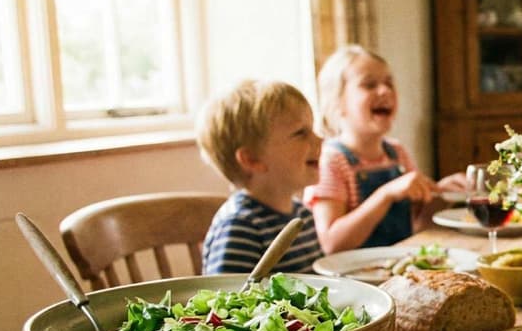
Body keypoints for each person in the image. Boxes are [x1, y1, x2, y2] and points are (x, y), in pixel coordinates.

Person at [305, 45, 467, 252]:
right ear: (337, 101)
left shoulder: (396, 152)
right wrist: (386, 194)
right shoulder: (331, 160)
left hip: (397, 268)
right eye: (369, 85)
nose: (385, 91)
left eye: (389, 83)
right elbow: (332, 244)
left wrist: (441, 195)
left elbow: (418, 225)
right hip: (354, 279)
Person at [197, 80, 324, 274]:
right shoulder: (240, 227)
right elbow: (228, 301)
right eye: (300, 133)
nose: (319, 140)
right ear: (251, 159)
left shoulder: (302, 215)